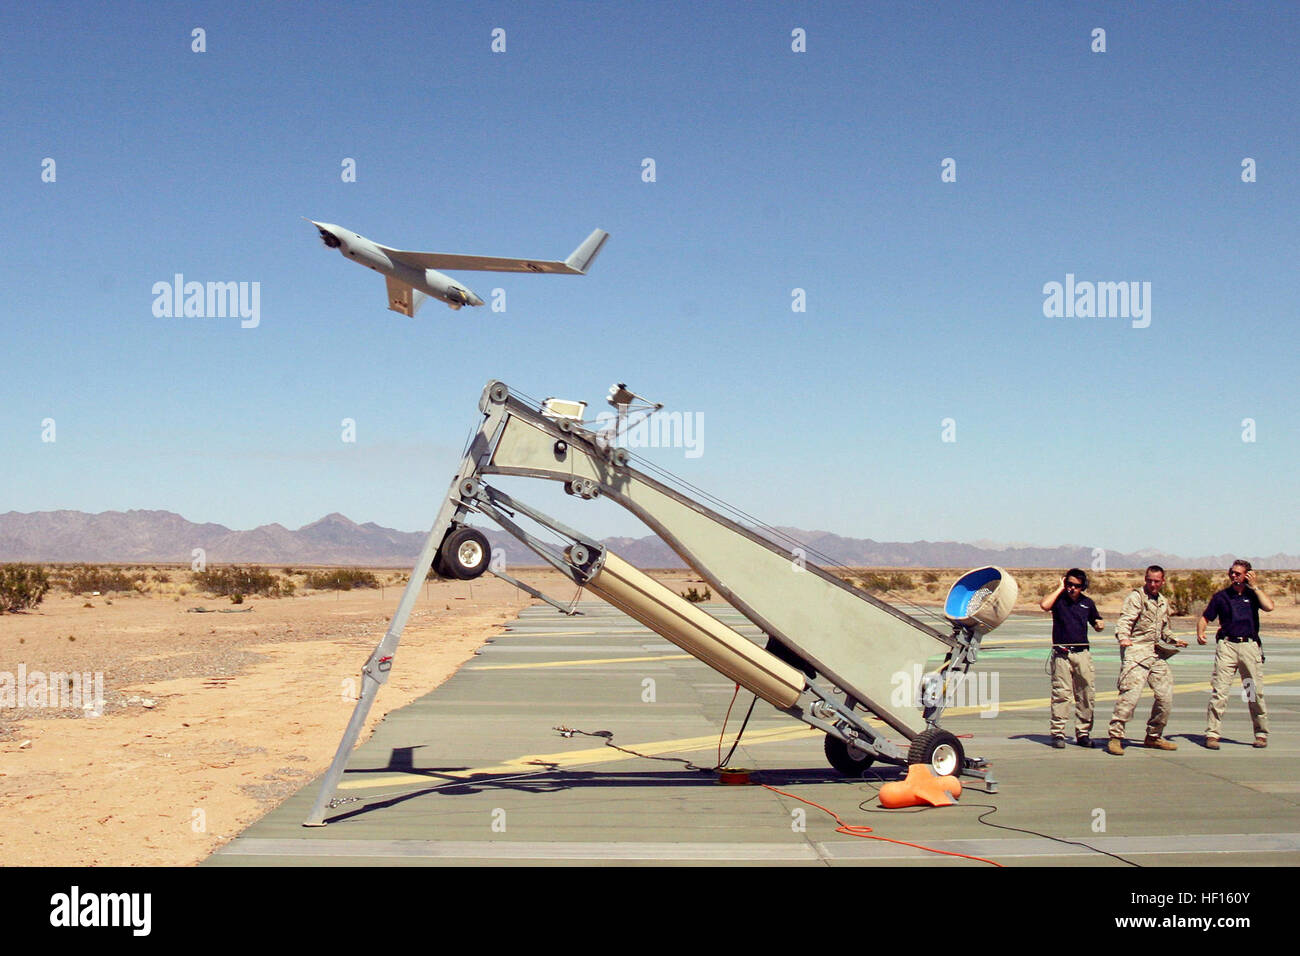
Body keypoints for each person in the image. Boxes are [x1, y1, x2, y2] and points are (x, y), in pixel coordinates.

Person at [1106, 565, 1185, 755]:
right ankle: (1116, 737)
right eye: (1149, 580)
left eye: (1156, 581)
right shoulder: (1136, 598)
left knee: (1165, 698)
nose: (1152, 584)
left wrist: (1174, 639)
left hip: (1156, 654)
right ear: (1145, 579)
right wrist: (1123, 637)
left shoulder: (1163, 602)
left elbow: (1164, 629)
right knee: (1129, 697)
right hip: (1136, 652)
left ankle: (1154, 736)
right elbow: (1125, 621)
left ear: (1163, 582)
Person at [1198, 560, 1274, 749]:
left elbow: (1269, 606)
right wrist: (1201, 631)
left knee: (1252, 692)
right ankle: (1212, 734)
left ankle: (1260, 733)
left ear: (1248, 575)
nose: (1234, 576)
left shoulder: (1253, 595)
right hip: (1227, 647)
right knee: (1220, 691)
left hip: (1248, 647)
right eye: (1232, 573)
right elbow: (1206, 617)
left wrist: (1255, 587)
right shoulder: (1222, 597)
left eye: (1238, 574)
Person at [1040, 568, 1103, 748]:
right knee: (1061, 694)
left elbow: (1096, 621)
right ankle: (1058, 733)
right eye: (1069, 584)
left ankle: (1083, 732)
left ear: (1083, 587)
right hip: (1062, 654)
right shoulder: (1058, 601)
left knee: (1085, 694)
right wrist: (1059, 588)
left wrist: (1099, 624)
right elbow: (1044, 605)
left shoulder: (1087, 603)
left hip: (1081, 654)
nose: (1072, 589)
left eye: (1076, 586)